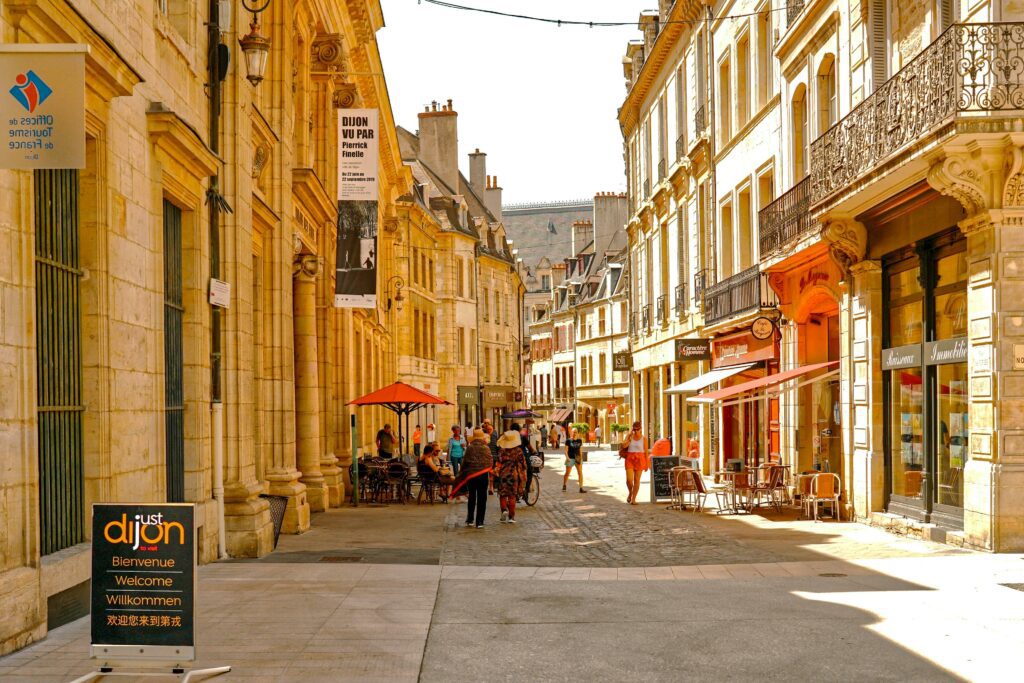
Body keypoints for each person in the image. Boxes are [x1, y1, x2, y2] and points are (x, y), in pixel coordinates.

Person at [449, 428, 493, 528]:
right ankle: (480, 522)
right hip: (482, 476)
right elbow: (490, 461)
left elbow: (465, 461)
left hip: (472, 476)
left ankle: (470, 519)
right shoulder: (486, 448)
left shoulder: (470, 447)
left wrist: (462, 473)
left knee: (472, 497)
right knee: (482, 498)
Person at [495, 427, 528, 523]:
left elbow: (498, 462)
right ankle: (511, 517)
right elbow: (523, 464)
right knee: (512, 496)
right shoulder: (518, 451)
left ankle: (504, 510)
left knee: (502, 494)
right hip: (514, 475)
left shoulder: (502, 451)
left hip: (503, 474)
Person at [621, 421, 650, 505]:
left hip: (640, 459)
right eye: (634, 429)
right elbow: (623, 446)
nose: (636, 431)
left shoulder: (644, 439)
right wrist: (629, 439)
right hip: (630, 458)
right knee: (629, 480)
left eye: (638, 429)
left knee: (637, 480)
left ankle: (633, 498)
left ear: (641, 429)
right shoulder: (629, 436)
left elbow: (646, 452)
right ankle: (630, 492)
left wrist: (647, 463)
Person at [563, 428, 586, 493]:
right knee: (567, 473)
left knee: (580, 473)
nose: (574, 433)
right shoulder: (568, 441)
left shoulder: (579, 440)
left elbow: (580, 450)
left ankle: (581, 488)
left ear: (578, 433)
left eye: (575, 432)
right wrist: (567, 458)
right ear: (571, 432)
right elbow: (565, 450)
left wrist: (581, 458)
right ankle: (564, 485)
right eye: (573, 432)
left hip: (578, 458)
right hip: (570, 458)